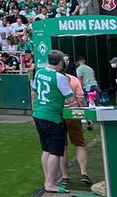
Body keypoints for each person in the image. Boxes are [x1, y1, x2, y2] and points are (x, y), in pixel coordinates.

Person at [32, 50, 77, 195]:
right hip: (52, 116)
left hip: (39, 114)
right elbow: (70, 98)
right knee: (55, 151)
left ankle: (48, 180)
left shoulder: (39, 72)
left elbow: (34, 92)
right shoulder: (59, 77)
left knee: (46, 149)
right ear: (60, 62)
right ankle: (50, 183)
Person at [59, 71, 93, 187]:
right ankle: (84, 174)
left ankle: (65, 177)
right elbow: (81, 100)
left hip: (59, 114)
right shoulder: (74, 80)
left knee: (62, 147)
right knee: (79, 144)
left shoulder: (52, 79)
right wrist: (86, 116)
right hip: (74, 113)